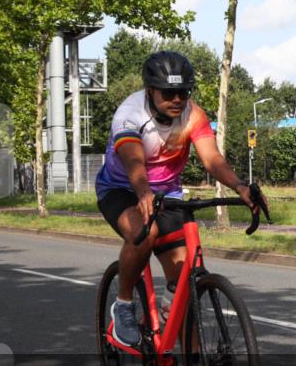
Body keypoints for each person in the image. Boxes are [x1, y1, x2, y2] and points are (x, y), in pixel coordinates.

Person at [95, 51, 264, 346]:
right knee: (143, 233)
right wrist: (144, 192)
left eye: (183, 92)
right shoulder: (130, 113)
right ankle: (123, 305)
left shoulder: (192, 114)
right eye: (169, 92)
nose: (177, 99)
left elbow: (211, 158)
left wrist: (240, 186)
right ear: (150, 90)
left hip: (167, 192)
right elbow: (134, 163)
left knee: (185, 286)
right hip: (121, 188)